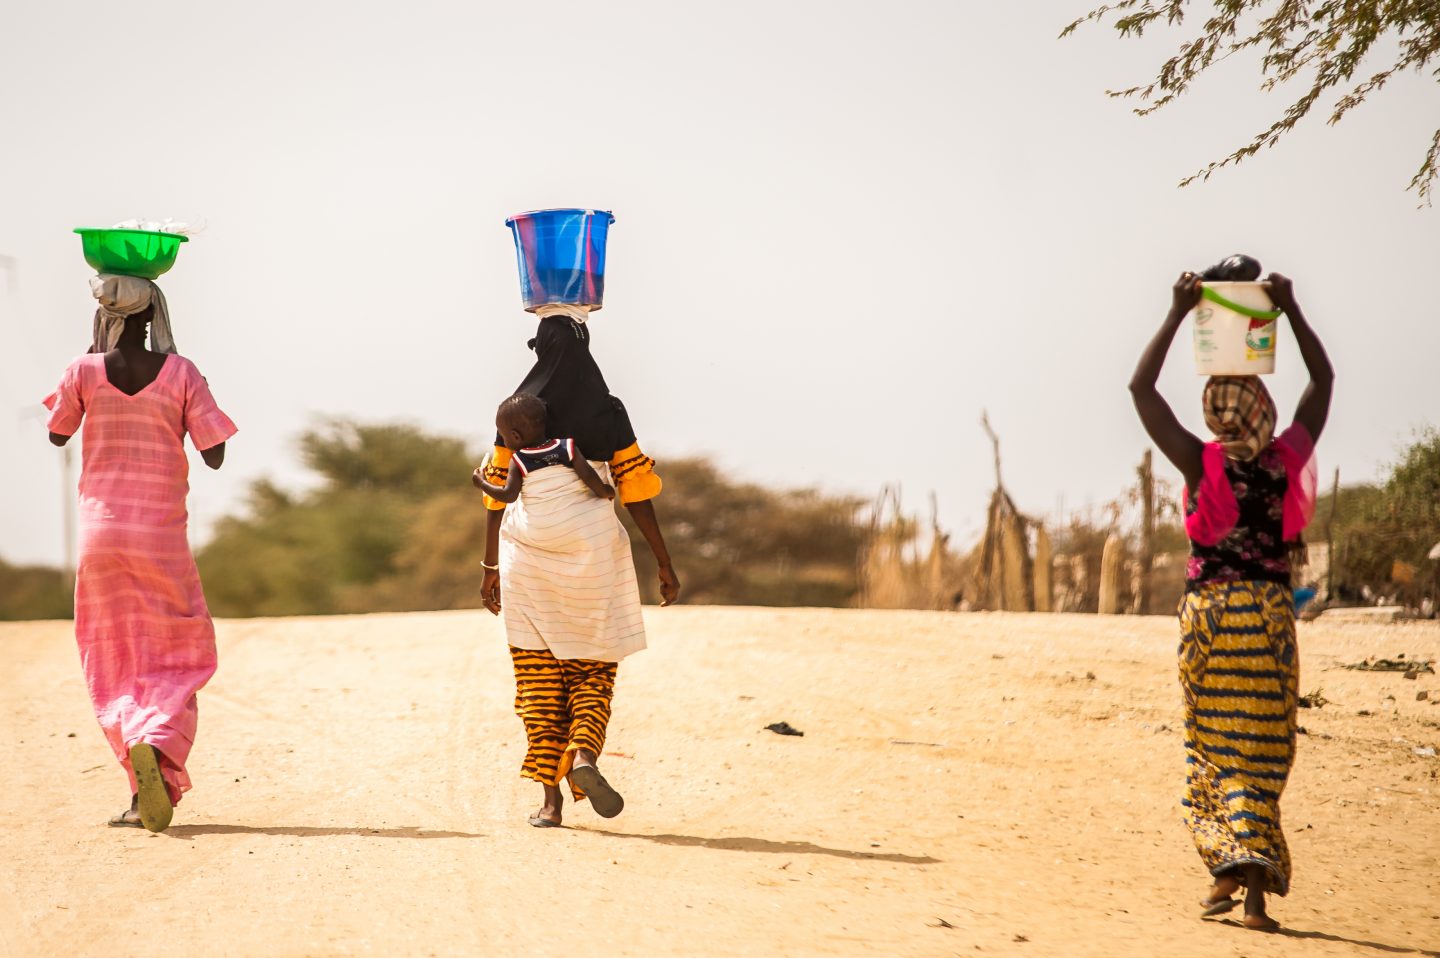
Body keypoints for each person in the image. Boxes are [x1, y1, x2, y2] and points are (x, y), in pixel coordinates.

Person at [1130, 270, 1332, 931]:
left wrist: (1176, 314)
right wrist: (1291, 310)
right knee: (1263, 750)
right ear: (1263, 410)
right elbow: (1322, 384)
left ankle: (1228, 868)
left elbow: (1141, 389)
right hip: (1268, 617)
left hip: (1209, 620)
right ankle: (1245, 891)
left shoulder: (1199, 462)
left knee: (1212, 748)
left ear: (1214, 414)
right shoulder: (1283, 461)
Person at [43, 274, 237, 833]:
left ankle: (138, 784)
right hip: (159, 535)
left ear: (105, 316)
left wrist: (88, 362)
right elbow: (215, 453)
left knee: (112, 653)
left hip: (100, 535)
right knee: (176, 646)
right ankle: (155, 740)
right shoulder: (180, 373)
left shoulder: (82, 372)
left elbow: (58, 434)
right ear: (153, 317)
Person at [472, 391, 665, 827]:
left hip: (529, 574)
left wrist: (489, 565)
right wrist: (664, 562)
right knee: (593, 677)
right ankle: (583, 754)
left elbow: (499, 500)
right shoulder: (597, 422)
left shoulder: (516, 456)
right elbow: (619, 493)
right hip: (591, 571)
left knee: (539, 689)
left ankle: (551, 803)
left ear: (513, 434)